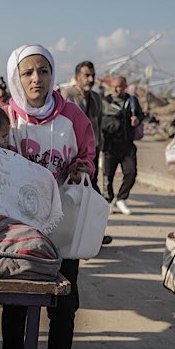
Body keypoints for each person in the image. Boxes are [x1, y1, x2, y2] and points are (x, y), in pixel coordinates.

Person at [0, 44, 95, 349]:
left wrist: (82, 168)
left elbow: (87, 153)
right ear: (15, 77)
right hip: (18, 231)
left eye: (43, 71)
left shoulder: (72, 116)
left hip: (62, 230)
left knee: (64, 307)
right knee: (16, 300)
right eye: (28, 73)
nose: (36, 79)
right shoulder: (8, 117)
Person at [63, 60, 112, 245]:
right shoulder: (68, 95)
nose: (91, 79)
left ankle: (93, 234)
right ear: (77, 77)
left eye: (92, 75)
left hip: (92, 151)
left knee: (91, 193)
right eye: (86, 75)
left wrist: (99, 146)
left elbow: (97, 123)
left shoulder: (97, 98)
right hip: (73, 152)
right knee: (79, 193)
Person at [101, 75, 144, 215]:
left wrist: (137, 120)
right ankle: (108, 201)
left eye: (119, 86)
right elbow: (100, 120)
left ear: (125, 87)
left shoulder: (131, 101)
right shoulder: (105, 102)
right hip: (110, 145)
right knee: (108, 176)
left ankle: (121, 198)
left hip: (127, 145)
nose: (116, 89)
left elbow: (141, 115)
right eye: (114, 86)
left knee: (131, 173)